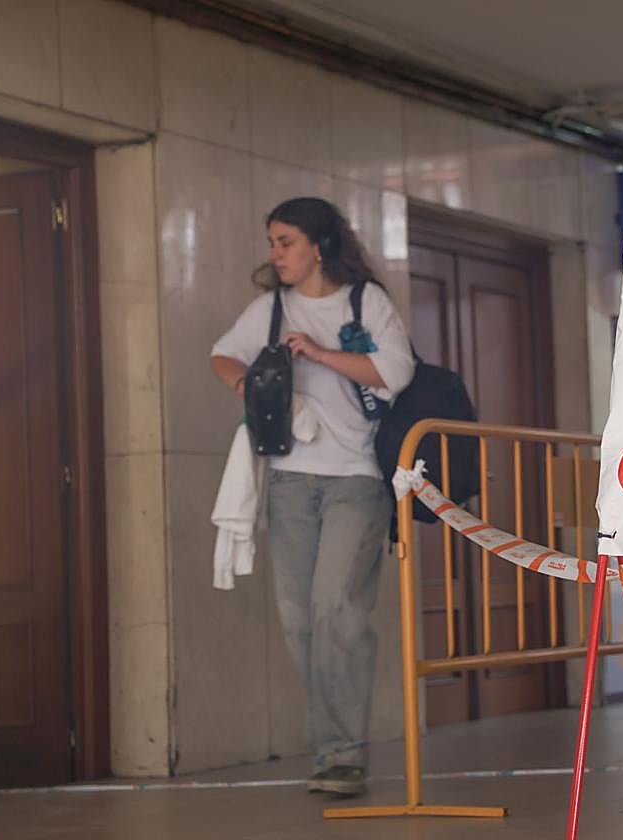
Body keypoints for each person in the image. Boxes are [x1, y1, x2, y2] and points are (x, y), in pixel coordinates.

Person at [210, 197, 415, 796]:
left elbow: (395, 371)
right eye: (272, 242)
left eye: (286, 242)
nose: (275, 255)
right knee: (298, 619)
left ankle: (342, 751)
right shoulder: (268, 308)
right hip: (290, 480)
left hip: (356, 477)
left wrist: (321, 355)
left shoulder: (365, 302)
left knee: (337, 608)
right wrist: (249, 384)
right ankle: (332, 751)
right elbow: (222, 354)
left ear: (318, 246)